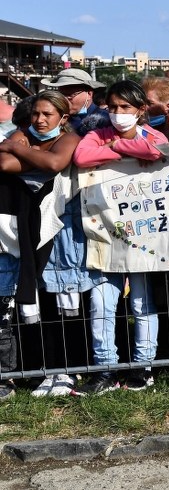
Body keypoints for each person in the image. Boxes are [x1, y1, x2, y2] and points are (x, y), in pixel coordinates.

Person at [72, 80, 169, 393]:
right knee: (101, 301)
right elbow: (82, 158)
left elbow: (158, 151)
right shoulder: (96, 133)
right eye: (113, 108)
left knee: (141, 301)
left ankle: (143, 367)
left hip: (143, 234)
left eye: (126, 108)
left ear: (141, 110)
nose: (119, 114)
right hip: (104, 232)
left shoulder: (154, 134)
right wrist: (116, 147)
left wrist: (115, 148)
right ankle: (105, 368)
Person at [0, 91, 82, 397]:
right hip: (19, 228)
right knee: (26, 304)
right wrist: (23, 151)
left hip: (58, 232)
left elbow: (56, 162)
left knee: (60, 303)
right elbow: (5, 165)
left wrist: (17, 148)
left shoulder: (69, 138)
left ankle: (63, 369)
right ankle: (33, 370)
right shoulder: (20, 134)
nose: (40, 119)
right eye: (36, 113)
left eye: (47, 114)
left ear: (63, 118)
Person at [39, 68, 107, 134]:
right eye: (60, 95)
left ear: (89, 94)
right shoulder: (57, 118)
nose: (64, 99)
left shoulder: (103, 121)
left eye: (70, 95)